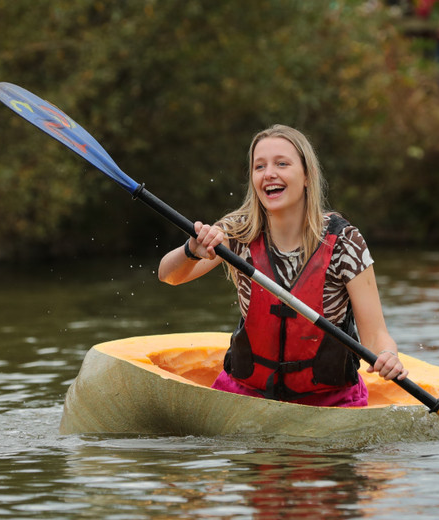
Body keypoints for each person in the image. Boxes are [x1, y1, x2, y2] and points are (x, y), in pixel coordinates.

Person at [158, 125, 407, 407]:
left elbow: (375, 335)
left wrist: (388, 356)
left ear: (307, 176)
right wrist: (191, 249)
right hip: (246, 393)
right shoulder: (238, 232)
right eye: (259, 166)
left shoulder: (344, 242)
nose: (268, 174)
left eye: (281, 164)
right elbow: (168, 275)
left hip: (329, 401)